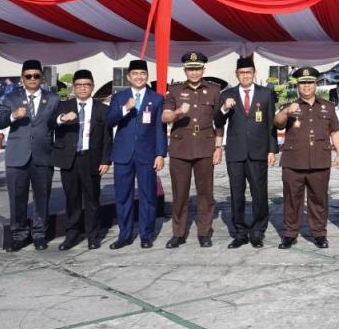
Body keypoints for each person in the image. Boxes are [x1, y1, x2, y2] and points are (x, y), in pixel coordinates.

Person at [273, 67, 339, 249]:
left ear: (315, 84)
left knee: (319, 199)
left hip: (319, 160)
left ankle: (319, 234)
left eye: (309, 82)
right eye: (303, 83)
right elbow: (278, 123)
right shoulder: (289, 106)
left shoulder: (327, 106)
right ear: (298, 85)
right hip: (293, 162)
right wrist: (287, 111)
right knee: (291, 199)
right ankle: (289, 234)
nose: (306, 86)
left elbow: (335, 131)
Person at [0, 59, 60, 251]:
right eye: (28, 76)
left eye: (36, 75)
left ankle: (40, 234)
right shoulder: (11, 98)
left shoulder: (54, 99)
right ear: (22, 78)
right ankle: (19, 235)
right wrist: (13, 116)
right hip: (17, 156)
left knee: (42, 197)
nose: (32, 79)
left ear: (42, 77)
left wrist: (63, 120)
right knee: (17, 197)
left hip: (43, 155)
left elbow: (57, 123)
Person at [214, 56, 278, 249]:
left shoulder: (266, 94)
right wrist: (225, 108)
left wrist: (272, 150)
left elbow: (271, 124)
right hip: (235, 152)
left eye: (248, 72)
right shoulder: (227, 94)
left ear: (254, 74)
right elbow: (217, 121)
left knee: (259, 193)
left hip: (258, 152)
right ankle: (240, 232)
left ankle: (258, 231)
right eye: (241, 73)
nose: (245, 76)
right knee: (236, 194)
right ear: (237, 74)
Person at [162, 52, 221, 249]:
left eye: (197, 68)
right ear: (185, 70)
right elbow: (165, 117)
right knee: (179, 194)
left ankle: (204, 232)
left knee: (205, 194)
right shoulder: (175, 90)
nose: (194, 72)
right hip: (180, 148)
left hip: (205, 147)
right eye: (190, 69)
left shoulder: (214, 90)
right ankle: (178, 233)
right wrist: (179, 112)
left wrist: (219, 147)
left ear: (203, 69)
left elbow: (218, 121)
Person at [106, 59, 167, 249]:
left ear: (147, 76)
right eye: (135, 74)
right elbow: (109, 121)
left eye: (142, 74)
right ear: (128, 77)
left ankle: (146, 234)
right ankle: (125, 235)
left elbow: (160, 128)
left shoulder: (156, 98)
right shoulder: (119, 97)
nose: (139, 77)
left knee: (148, 195)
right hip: (123, 154)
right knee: (123, 196)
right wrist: (126, 108)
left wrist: (160, 154)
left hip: (147, 154)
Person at [49, 70, 112, 251]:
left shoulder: (102, 109)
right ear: (74, 87)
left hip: (91, 158)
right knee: (72, 198)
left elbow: (108, 137)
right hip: (69, 159)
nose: (83, 88)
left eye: (86, 85)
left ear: (92, 86)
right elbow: (49, 123)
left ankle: (93, 235)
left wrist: (106, 160)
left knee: (92, 199)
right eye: (79, 85)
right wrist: (62, 118)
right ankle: (72, 234)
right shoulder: (63, 106)